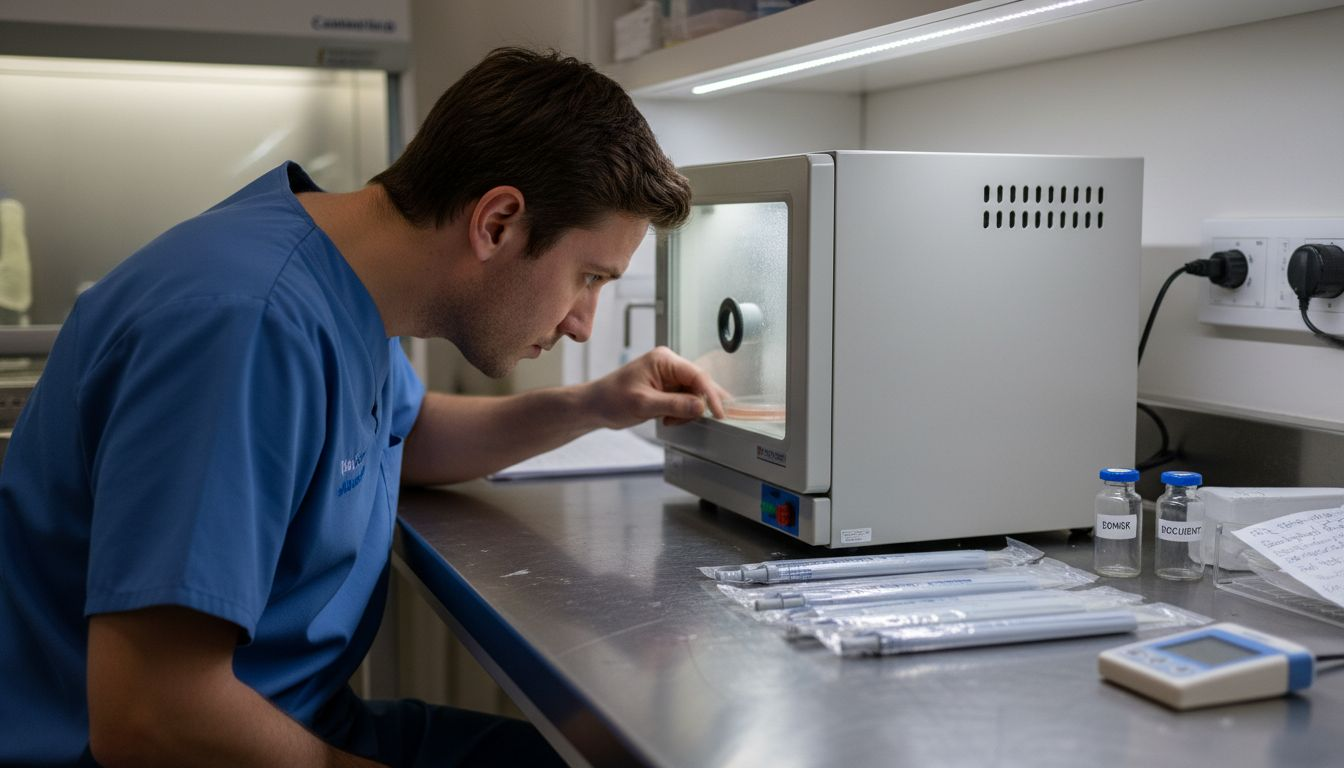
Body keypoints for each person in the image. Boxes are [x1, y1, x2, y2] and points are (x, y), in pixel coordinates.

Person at [0, 47, 724, 768]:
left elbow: (405, 434)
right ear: (498, 222)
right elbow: (151, 717)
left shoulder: (334, 275)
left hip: (290, 719)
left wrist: (595, 404)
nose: (583, 323)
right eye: (589, 277)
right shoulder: (246, 327)